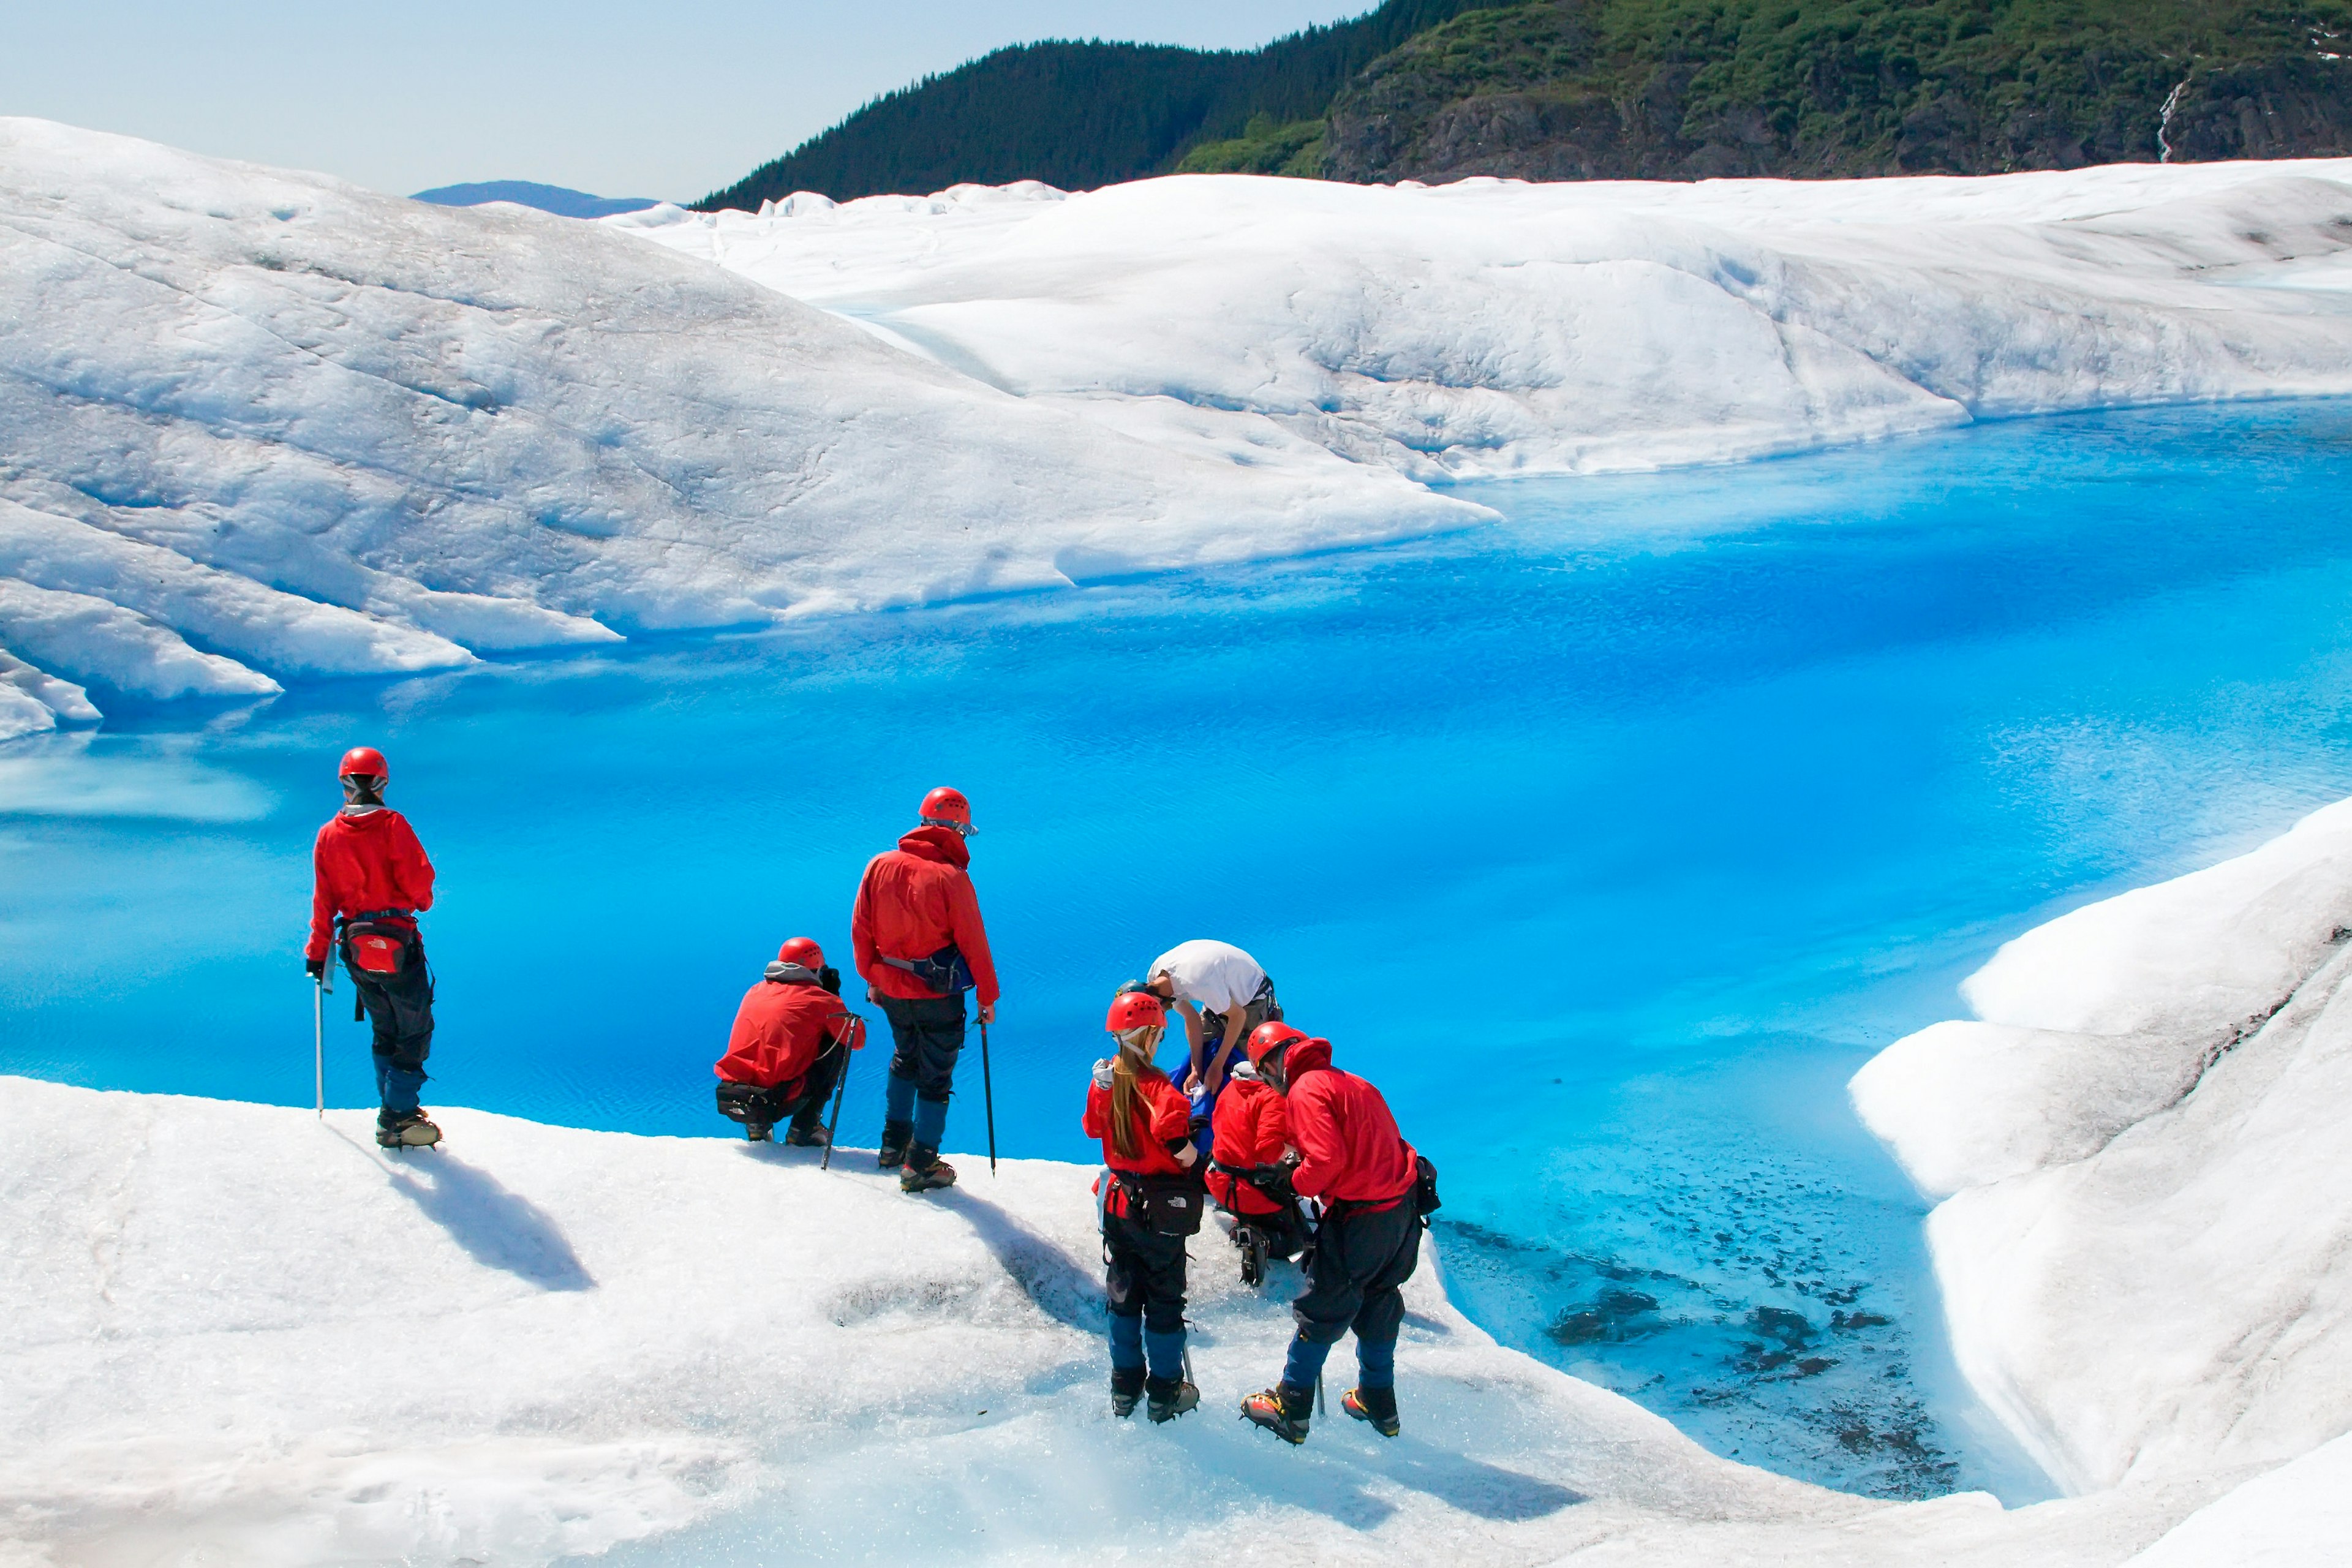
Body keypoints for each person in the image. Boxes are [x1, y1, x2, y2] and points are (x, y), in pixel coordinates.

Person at [1238, 1022, 1423, 1445]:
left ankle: (1292, 1405)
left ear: (1274, 1063)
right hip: (1400, 1215)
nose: (1270, 1084)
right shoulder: (1353, 1082)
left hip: (1358, 1219)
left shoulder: (1305, 1090)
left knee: (1322, 1308)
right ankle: (1379, 1403)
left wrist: (1292, 1182)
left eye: (1265, 1075)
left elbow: (1326, 1161)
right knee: (1379, 1301)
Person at [851, 786, 1000, 1194]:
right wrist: (988, 996)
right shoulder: (951, 877)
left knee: (905, 1059)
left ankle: (892, 1147)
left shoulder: (878, 864)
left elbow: (861, 929)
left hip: (891, 989)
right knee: (936, 1076)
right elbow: (974, 942)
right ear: (956, 829)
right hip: (937, 993)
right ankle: (920, 1164)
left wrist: (873, 978)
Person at [304, 745, 441, 1150]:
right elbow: (421, 887)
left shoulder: (328, 834)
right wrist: (419, 902)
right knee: (415, 1031)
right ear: (382, 783)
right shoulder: (393, 825)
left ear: (344, 783)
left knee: (385, 1028)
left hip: (355, 947)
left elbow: (323, 902)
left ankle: (395, 1109)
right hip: (397, 944)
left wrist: (316, 953)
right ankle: (396, 1116)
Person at [1084, 989, 1203, 1423]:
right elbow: (1173, 1137)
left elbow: (1093, 1130)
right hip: (1158, 1212)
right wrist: (1196, 1160)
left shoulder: (1107, 1081)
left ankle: (1125, 1387)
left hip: (1117, 1205)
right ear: (1147, 1036)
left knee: (1124, 1294)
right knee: (1165, 1300)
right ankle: (1165, 1391)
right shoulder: (1158, 1087)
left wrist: (1099, 1092)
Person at [713, 937, 865, 1145]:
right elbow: (856, 1040)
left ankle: (757, 1126)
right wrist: (832, 995)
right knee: (837, 1042)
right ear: (817, 969)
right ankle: (804, 1129)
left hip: (734, 1092)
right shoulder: (821, 1000)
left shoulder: (755, 991)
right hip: (778, 1097)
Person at [1207, 1054, 1309, 1286]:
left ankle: (1243, 1222)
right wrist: (1297, 1157)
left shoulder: (1231, 1089)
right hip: (1252, 1190)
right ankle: (1260, 1237)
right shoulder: (1271, 1097)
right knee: (1295, 1243)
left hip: (1220, 1181)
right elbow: (1267, 1149)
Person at [1144, 939, 1278, 1100]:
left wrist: (1217, 1066)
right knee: (1205, 1055)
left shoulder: (1198, 983)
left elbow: (1238, 1016)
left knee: (1247, 1071)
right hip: (1220, 992)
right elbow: (1191, 1018)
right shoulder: (1156, 977)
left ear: (1157, 1001)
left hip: (1252, 998)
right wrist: (1196, 1069)